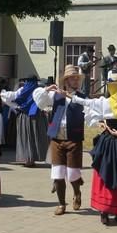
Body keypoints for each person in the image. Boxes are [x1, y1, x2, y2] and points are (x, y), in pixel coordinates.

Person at [70, 74, 117, 225]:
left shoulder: (105, 102)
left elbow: (87, 102)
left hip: (107, 141)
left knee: (105, 172)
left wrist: (72, 97)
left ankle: (105, 211)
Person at [33, 65, 86, 215]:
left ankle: (77, 192)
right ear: (66, 80)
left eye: (77, 78)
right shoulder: (55, 95)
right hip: (56, 138)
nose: (76, 80)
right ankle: (62, 204)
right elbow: (39, 101)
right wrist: (46, 90)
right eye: (73, 78)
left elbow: (92, 110)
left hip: (74, 139)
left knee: (73, 173)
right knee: (57, 173)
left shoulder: (82, 97)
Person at [0, 75, 48, 166]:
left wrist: (15, 106)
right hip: (38, 117)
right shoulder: (38, 90)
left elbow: (11, 97)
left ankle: (29, 160)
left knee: (27, 138)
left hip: (25, 117)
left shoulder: (23, 90)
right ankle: (31, 159)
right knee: (35, 137)